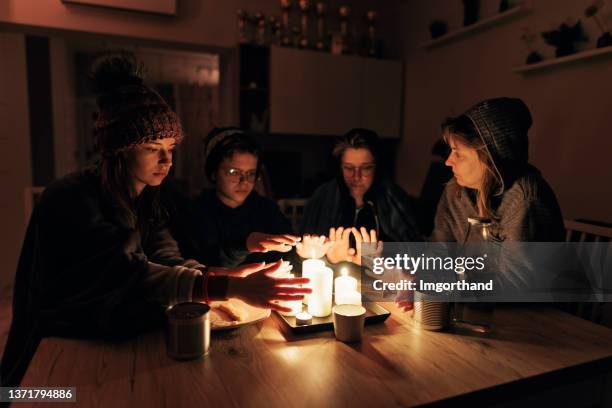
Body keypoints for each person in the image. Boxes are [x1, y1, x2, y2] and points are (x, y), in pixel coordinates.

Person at [0, 54, 309, 387]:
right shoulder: (72, 198)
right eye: (151, 147)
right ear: (118, 149)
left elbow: (167, 258)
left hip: (107, 340)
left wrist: (227, 274)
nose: (166, 160)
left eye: (171, 147)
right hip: (51, 353)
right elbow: (131, 274)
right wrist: (229, 287)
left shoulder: (148, 196)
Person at [397, 97, 565, 312]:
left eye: (458, 153)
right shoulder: (454, 189)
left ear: (490, 159)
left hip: (531, 324)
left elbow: (515, 290)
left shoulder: (526, 199)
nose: (448, 161)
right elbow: (438, 251)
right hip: (471, 312)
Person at [167, 127, 299, 268]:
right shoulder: (197, 212)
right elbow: (205, 265)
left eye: (251, 173)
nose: (244, 181)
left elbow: (290, 257)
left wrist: (303, 253)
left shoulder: (267, 209)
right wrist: (245, 245)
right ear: (214, 173)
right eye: (234, 172)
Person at [300, 128, 421, 265]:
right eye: (348, 168)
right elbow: (301, 251)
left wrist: (380, 261)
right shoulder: (324, 196)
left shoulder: (393, 198)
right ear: (340, 167)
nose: (356, 177)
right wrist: (329, 259)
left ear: (377, 167)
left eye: (366, 168)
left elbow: (416, 257)